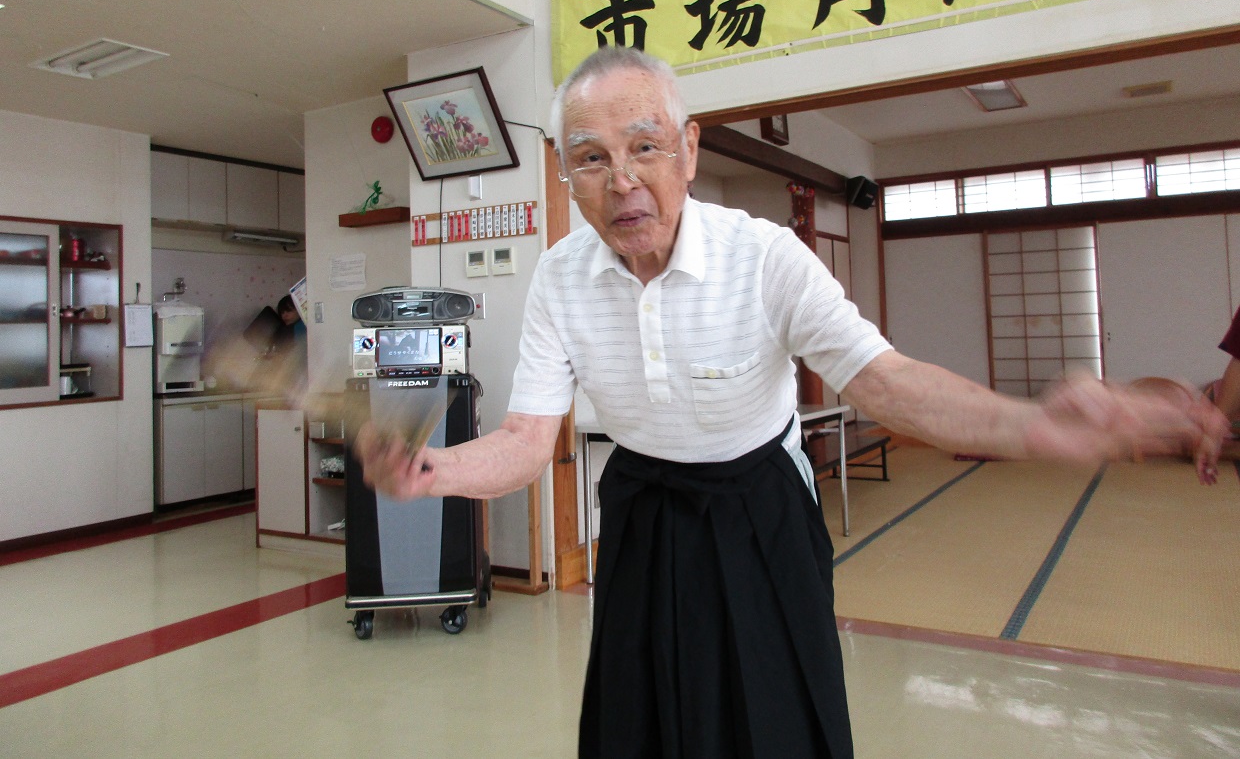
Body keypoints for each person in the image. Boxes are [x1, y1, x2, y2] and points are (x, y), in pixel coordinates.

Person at [356, 46, 1226, 759]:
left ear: (689, 150)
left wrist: (1035, 426)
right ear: (565, 173)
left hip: (759, 508)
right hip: (642, 510)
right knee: (637, 723)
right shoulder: (558, 276)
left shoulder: (764, 257)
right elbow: (523, 437)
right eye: (592, 158)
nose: (622, 180)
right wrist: (437, 470)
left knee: (777, 722)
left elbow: (883, 380)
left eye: (645, 146)